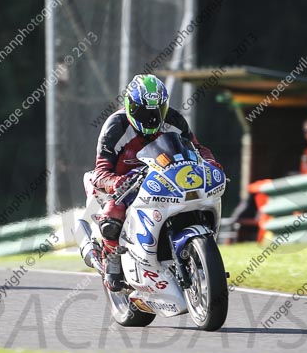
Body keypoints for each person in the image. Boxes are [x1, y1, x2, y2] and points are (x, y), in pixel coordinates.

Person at [91, 74, 222, 291]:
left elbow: (198, 149)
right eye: (143, 112)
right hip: (126, 182)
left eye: (157, 111)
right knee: (111, 216)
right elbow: (100, 171)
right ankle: (112, 260)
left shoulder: (174, 120)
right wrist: (115, 183)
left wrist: (210, 163)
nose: (151, 118)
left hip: (167, 176)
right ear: (131, 107)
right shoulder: (116, 125)